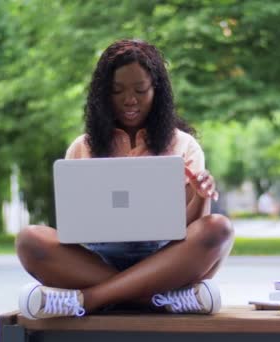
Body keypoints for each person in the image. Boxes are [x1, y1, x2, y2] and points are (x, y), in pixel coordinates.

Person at [15, 39, 234, 319]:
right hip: (96, 261)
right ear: (103, 95)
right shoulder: (81, 147)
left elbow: (193, 227)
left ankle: (90, 299)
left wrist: (202, 196)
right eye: (117, 91)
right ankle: (159, 299)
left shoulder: (184, 145)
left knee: (217, 228)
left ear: (157, 91)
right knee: (29, 240)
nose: (130, 100)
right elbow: (74, 228)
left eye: (140, 90)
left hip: (168, 259)